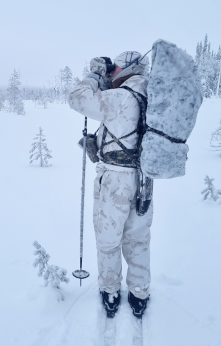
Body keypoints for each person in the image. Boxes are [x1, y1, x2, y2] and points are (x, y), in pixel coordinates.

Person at [68, 52, 152, 319]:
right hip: (144, 179)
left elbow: (77, 99)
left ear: (127, 68)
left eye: (115, 67)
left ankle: (110, 291)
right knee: (138, 239)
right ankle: (139, 292)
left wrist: (94, 75)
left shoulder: (121, 98)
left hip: (115, 180)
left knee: (108, 240)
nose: (112, 71)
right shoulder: (150, 95)